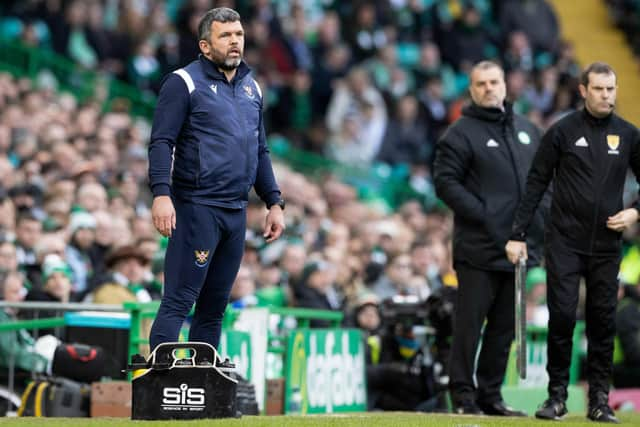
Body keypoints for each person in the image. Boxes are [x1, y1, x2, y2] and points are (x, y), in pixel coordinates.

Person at [506, 62, 640, 424]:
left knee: (602, 322)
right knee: (563, 317)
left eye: (611, 89)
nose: (606, 95)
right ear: (583, 90)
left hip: (607, 245)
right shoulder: (562, 131)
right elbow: (535, 182)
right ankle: (557, 397)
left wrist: (635, 213)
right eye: (599, 89)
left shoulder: (628, 134)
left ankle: (599, 400)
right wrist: (517, 234)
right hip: (564, 242)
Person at [147, 7, 285, 353]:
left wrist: (274, 201)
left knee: (214, 308)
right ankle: (159, 385)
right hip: (197, 206)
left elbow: (261, 149)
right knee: (180, 300)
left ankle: (201, 387)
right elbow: (162, 141)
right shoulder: (183, 82)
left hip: (236, 212)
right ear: (206, 46)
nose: (235, 41)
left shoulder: (252, 87)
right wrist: (161, 194)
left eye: (238, 34)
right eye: (225, 35)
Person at [433, 60, 547, 416]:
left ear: (505, 85)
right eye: (480, 83)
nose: (488, 88)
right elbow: (446, 184)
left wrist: (538, 225)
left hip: (521, 248)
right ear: (471, 90)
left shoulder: (527, 130)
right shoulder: (459, 133)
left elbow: (546, 181)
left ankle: (491, 396)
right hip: (478, 248)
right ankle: (464, 398)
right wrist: (487, 217)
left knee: (504, 329)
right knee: (469, 326)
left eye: (494, 82)